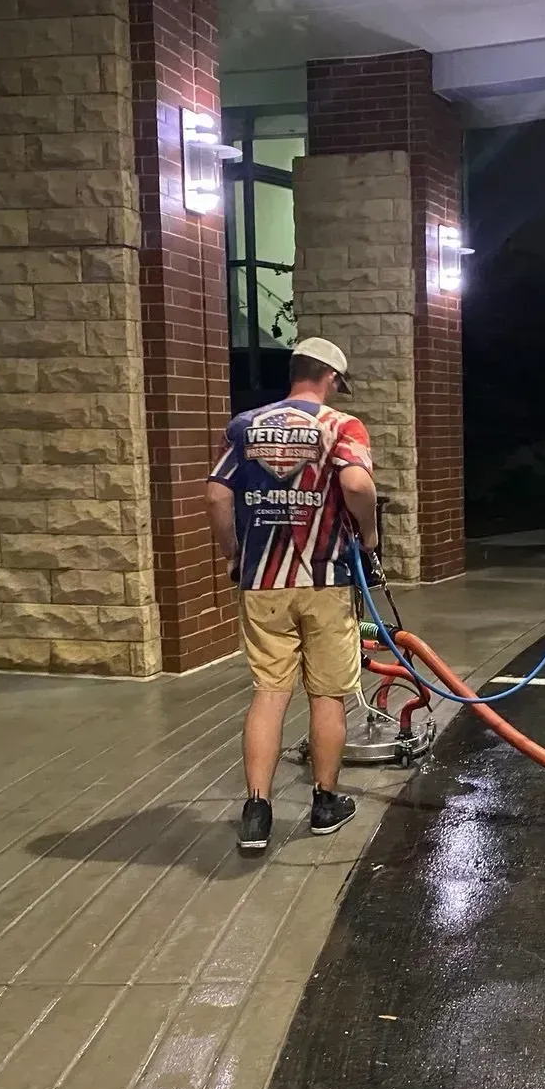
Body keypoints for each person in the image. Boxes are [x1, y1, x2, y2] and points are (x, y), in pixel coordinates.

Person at [206, 336, 381, 853]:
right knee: (326, 693)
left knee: (270, 692)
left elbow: (217, 494)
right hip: (324, 578)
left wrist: (233, 554)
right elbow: (356, 485)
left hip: (263, 581)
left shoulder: (245, 425)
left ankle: (257, 812)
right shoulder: (340, 426)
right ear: (330, 379)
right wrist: (369, 537)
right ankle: (325, 803)